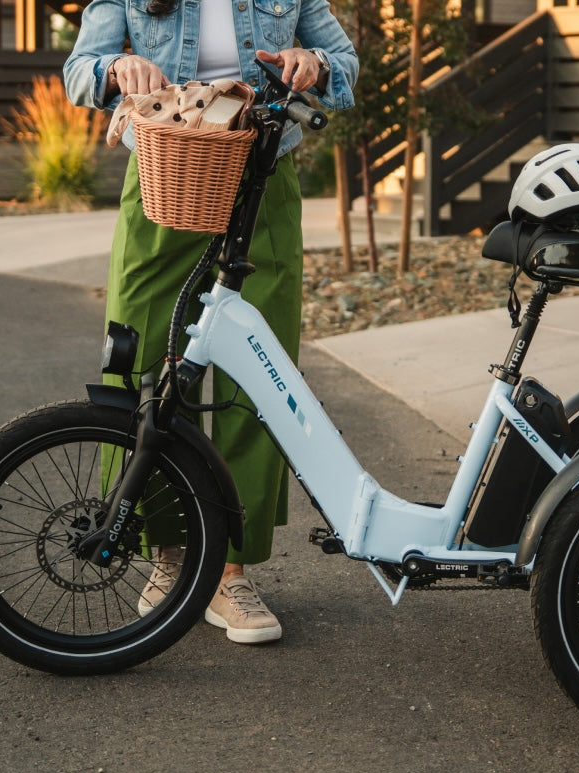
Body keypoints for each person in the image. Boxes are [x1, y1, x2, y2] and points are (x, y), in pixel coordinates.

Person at [63, 0, 358, 645]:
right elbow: (79, 71)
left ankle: (230, 570)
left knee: (261, 375)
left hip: (263, 179)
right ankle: (171, 553)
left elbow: (345, 65)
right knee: (145, 366)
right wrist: (117, 69)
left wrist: (313, 63)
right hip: (165, 174)